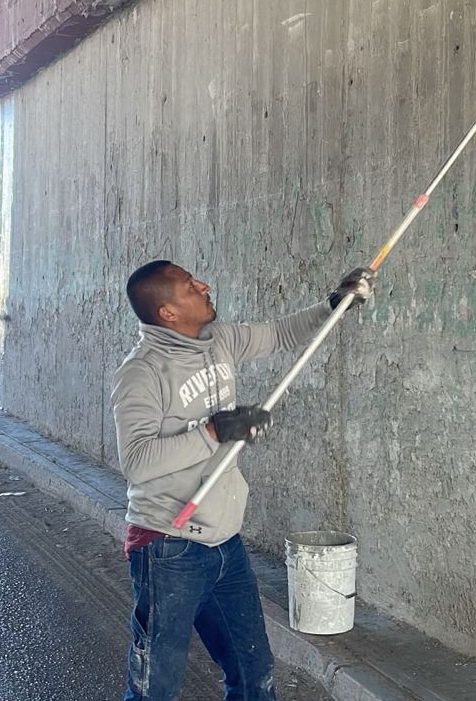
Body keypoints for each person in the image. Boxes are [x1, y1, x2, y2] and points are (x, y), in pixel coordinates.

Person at [113, 260, 375, 701]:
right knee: (154, 686)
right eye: (189, 285)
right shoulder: (142, 372)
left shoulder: (220, 341)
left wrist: (335, 304)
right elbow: (137, 462)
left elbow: (280, 334)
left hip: (225, 544)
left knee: (254, 674)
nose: (204, 285)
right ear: (168, 313)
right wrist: (214, 432)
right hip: (168, 545)